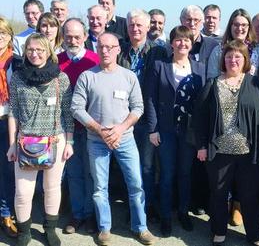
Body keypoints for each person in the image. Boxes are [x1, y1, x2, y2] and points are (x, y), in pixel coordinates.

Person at [71, 32, 158, 246]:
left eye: (110, 47)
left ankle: (141, 227)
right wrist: (100, 130)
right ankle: (104, 228)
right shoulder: (87, 76)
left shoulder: (129, 76)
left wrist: (119, 129)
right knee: (100, 187)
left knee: (136, 184)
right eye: (101, 46)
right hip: (96, 140)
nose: (105, 50)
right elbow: (76, 108)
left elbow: (138, 107)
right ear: (97, 49)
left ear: (119, 49)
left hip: (125, 139)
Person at [194, 39, 259, 246]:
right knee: (219, 194)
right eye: (229, 56)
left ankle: (254, 235)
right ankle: (219, 231)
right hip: (219, 151)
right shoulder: (212, 84)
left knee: (249, 196)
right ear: (223, 60)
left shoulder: (255, 84)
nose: (233, 60)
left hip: (249, 152)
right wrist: (201, 145)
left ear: (245, 59)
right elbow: (199, 117)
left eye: (237, 56)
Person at [7, 33, 74, 246]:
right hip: (25, 142)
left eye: (39, 50)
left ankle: (50, 229)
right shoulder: (18, 77)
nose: (34, 54)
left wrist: (70, 142)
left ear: (48, 51)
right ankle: (25, 232)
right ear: (25, 51)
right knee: (23, 191)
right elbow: (13, 112)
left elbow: (67, 113)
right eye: (30, 50)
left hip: (56, 140)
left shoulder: (60, 78)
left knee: (52, 188)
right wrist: (11, 145)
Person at [145, 25, 205, 237]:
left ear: (191, 43)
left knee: (185, 173)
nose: (182, 44)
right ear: (171, 43)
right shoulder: (160, 66)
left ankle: (183, 212)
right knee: (168, 174)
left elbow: (203, 101)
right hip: (166, 130)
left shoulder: (199, 68)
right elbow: (150, 98)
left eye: (186, 40)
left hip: (189, 131)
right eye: (178, 40)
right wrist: (153, 129)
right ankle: (166, 217)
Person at [118, 9, 168, 222]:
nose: (135, 29)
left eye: (140, 25)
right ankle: (133, 206)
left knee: (147, 167)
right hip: (124, 118)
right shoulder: (121, 52)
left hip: (147, 119)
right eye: (132, 25)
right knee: (128, 166)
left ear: (148, 27)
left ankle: (144, 209)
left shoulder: (158, 52)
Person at [58, 17, 100, 235]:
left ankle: (91, 214)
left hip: (92, 127)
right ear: (63, 37)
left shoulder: (96, 60)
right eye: (68, 36)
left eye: (77, 36)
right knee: (74, 173)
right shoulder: (56, 61)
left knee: (92, 173)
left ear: (85, 36)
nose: (72, 40)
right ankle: (77, 214)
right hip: (67, 129)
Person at [180, 5, 218, 215]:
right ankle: (186, 202)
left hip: (206, 112)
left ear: (202, 22)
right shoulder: (174, 44)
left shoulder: (213, 45)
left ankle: (203, 201)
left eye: (196, 20)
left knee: (204, 160)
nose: (192, 23)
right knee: (185, 163)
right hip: (182, 114)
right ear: (181, 20)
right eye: (187, 19)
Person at [0, 16, 22, 239]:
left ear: (9, 37)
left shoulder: (15, 62)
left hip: (8, 121)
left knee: (7, 170)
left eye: (3, 33)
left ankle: (6, 215)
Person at [207, 8, 259, 78]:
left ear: (249, 27)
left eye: (244, 25)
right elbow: (211, 78)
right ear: (230, 26)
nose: (240, 28)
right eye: (236, 24)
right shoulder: (218, 51)